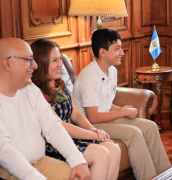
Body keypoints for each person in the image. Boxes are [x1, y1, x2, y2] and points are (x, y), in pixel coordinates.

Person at [0, 38, 90, 180]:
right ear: (7, 64)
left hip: (41, 162)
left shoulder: (29, 88)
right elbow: (1, 150)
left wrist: (77, 159)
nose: (35, 66)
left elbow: (52, 126)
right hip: (5, 170)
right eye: (29, 60)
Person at [72, 28, 171, 180]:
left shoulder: (112, 71)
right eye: (117, 49)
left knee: (150, 127)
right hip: (91, 125)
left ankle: (167, 175)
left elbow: (105, 103)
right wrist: (122, 112)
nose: (122, 53)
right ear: (102, 52)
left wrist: (121, 109)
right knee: (134, 133)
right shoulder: (89, 78)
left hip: (106, 119)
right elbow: (92, 117)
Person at [30, 38, 121, 180]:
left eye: (60, 59)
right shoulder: (37, 92)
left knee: (114, 149)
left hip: (71, 136)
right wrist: (94, 136)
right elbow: (59, 126)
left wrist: (93, 129)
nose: (60, 64)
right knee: (101, 153)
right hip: (53, 143)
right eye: (54, 60)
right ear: (41, 62)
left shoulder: (59, 86)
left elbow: (76, 113)